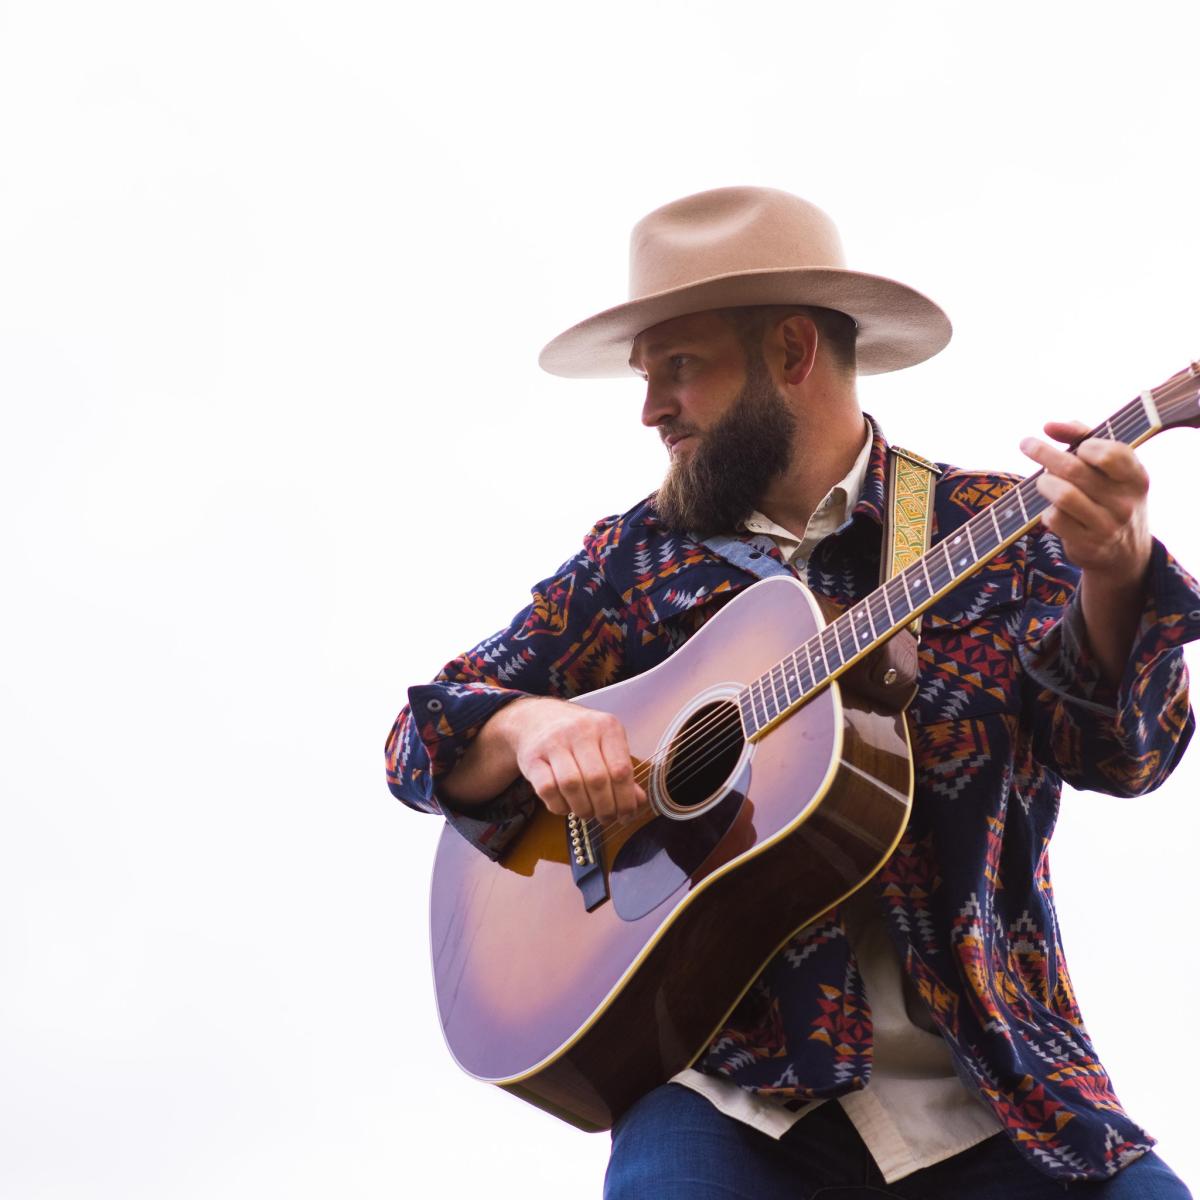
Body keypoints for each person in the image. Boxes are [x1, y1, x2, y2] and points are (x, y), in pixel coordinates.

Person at [386, 187, 1199, 1197]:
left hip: (997, 1088)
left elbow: (1126, 756)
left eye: (678, 369)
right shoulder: (633, 563)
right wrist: (532, 723)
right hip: (732, 1095)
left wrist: (1117, 572)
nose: (650, 409)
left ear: (788, 353)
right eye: (646, 377)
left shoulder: (995, 526)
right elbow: (418, 736)